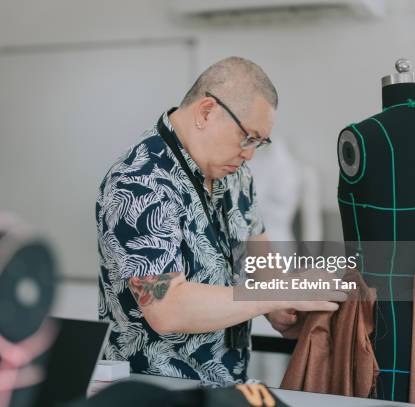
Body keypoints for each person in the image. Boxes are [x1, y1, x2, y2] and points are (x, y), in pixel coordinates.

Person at [96, 57, 341, 386]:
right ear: (207, 112)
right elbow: (167, 307)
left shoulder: (238, 176)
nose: (250, 154)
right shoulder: (139, 181)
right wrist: (275, 295)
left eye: (259, 143)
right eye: (247, 137)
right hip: (154, 390)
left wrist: (281, 310)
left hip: (229, 384)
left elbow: (260, 265)